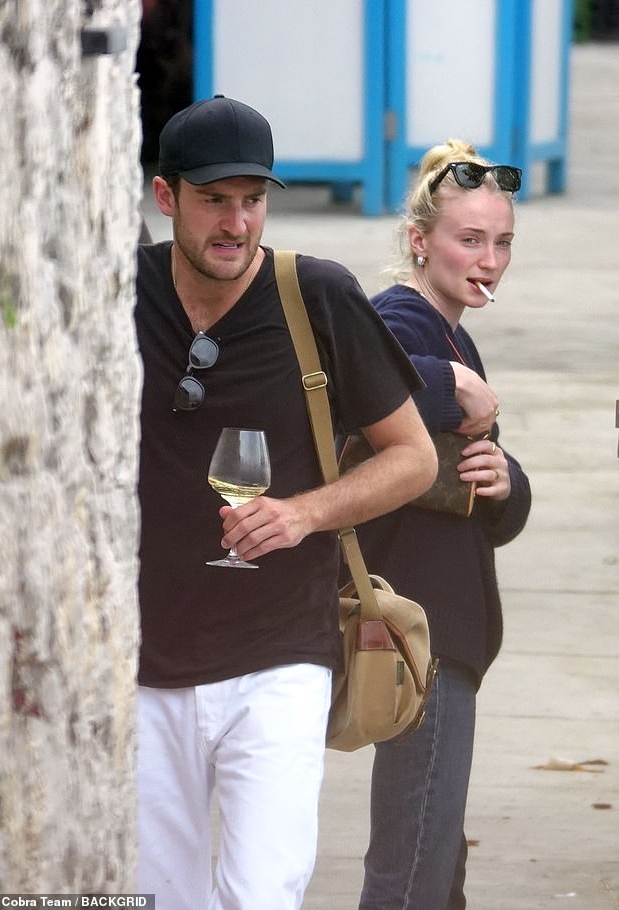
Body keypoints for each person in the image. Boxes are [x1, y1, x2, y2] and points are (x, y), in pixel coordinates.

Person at [134, 95, 438, 910]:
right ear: (167, 199)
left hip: (280, 654)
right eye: (213, 200)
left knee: (263, 891)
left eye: (253, 199)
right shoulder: (115, 298)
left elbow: (413, 458)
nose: (237, 223)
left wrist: (304, 513)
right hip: (138, 662)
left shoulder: (317, 296)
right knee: (157, 896)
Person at [350, 141, 532, 910]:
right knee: (415, 861)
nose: (488, 259)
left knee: (434, 856)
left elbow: (489, 500)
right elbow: (360, 385)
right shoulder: (403, 318)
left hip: (445, 630)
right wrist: (443, 383)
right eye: (469, 239)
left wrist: (503, 481)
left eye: (502, 243)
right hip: (418, 628)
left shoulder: (457, 335)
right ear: (420, 241)